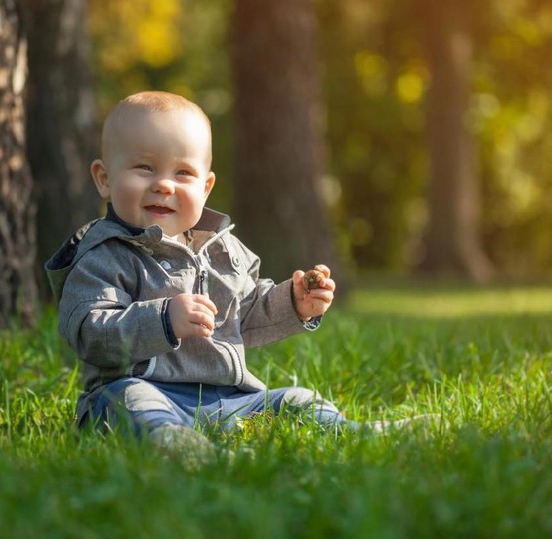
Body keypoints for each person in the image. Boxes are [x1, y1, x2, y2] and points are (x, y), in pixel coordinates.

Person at [45, 91, 407, 464]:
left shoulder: (223, 250)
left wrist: (294, 304)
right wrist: (163, 319)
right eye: (145, 168)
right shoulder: (103, 254)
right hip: (139, 389)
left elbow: (244, 317)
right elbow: (90, 332)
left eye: (182, 172)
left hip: (226, 400)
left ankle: (354, 433)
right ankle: (171, 442)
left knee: (295, 400)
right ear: (104, 179)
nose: (165, 185)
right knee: (130, 403)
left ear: (206, 187)